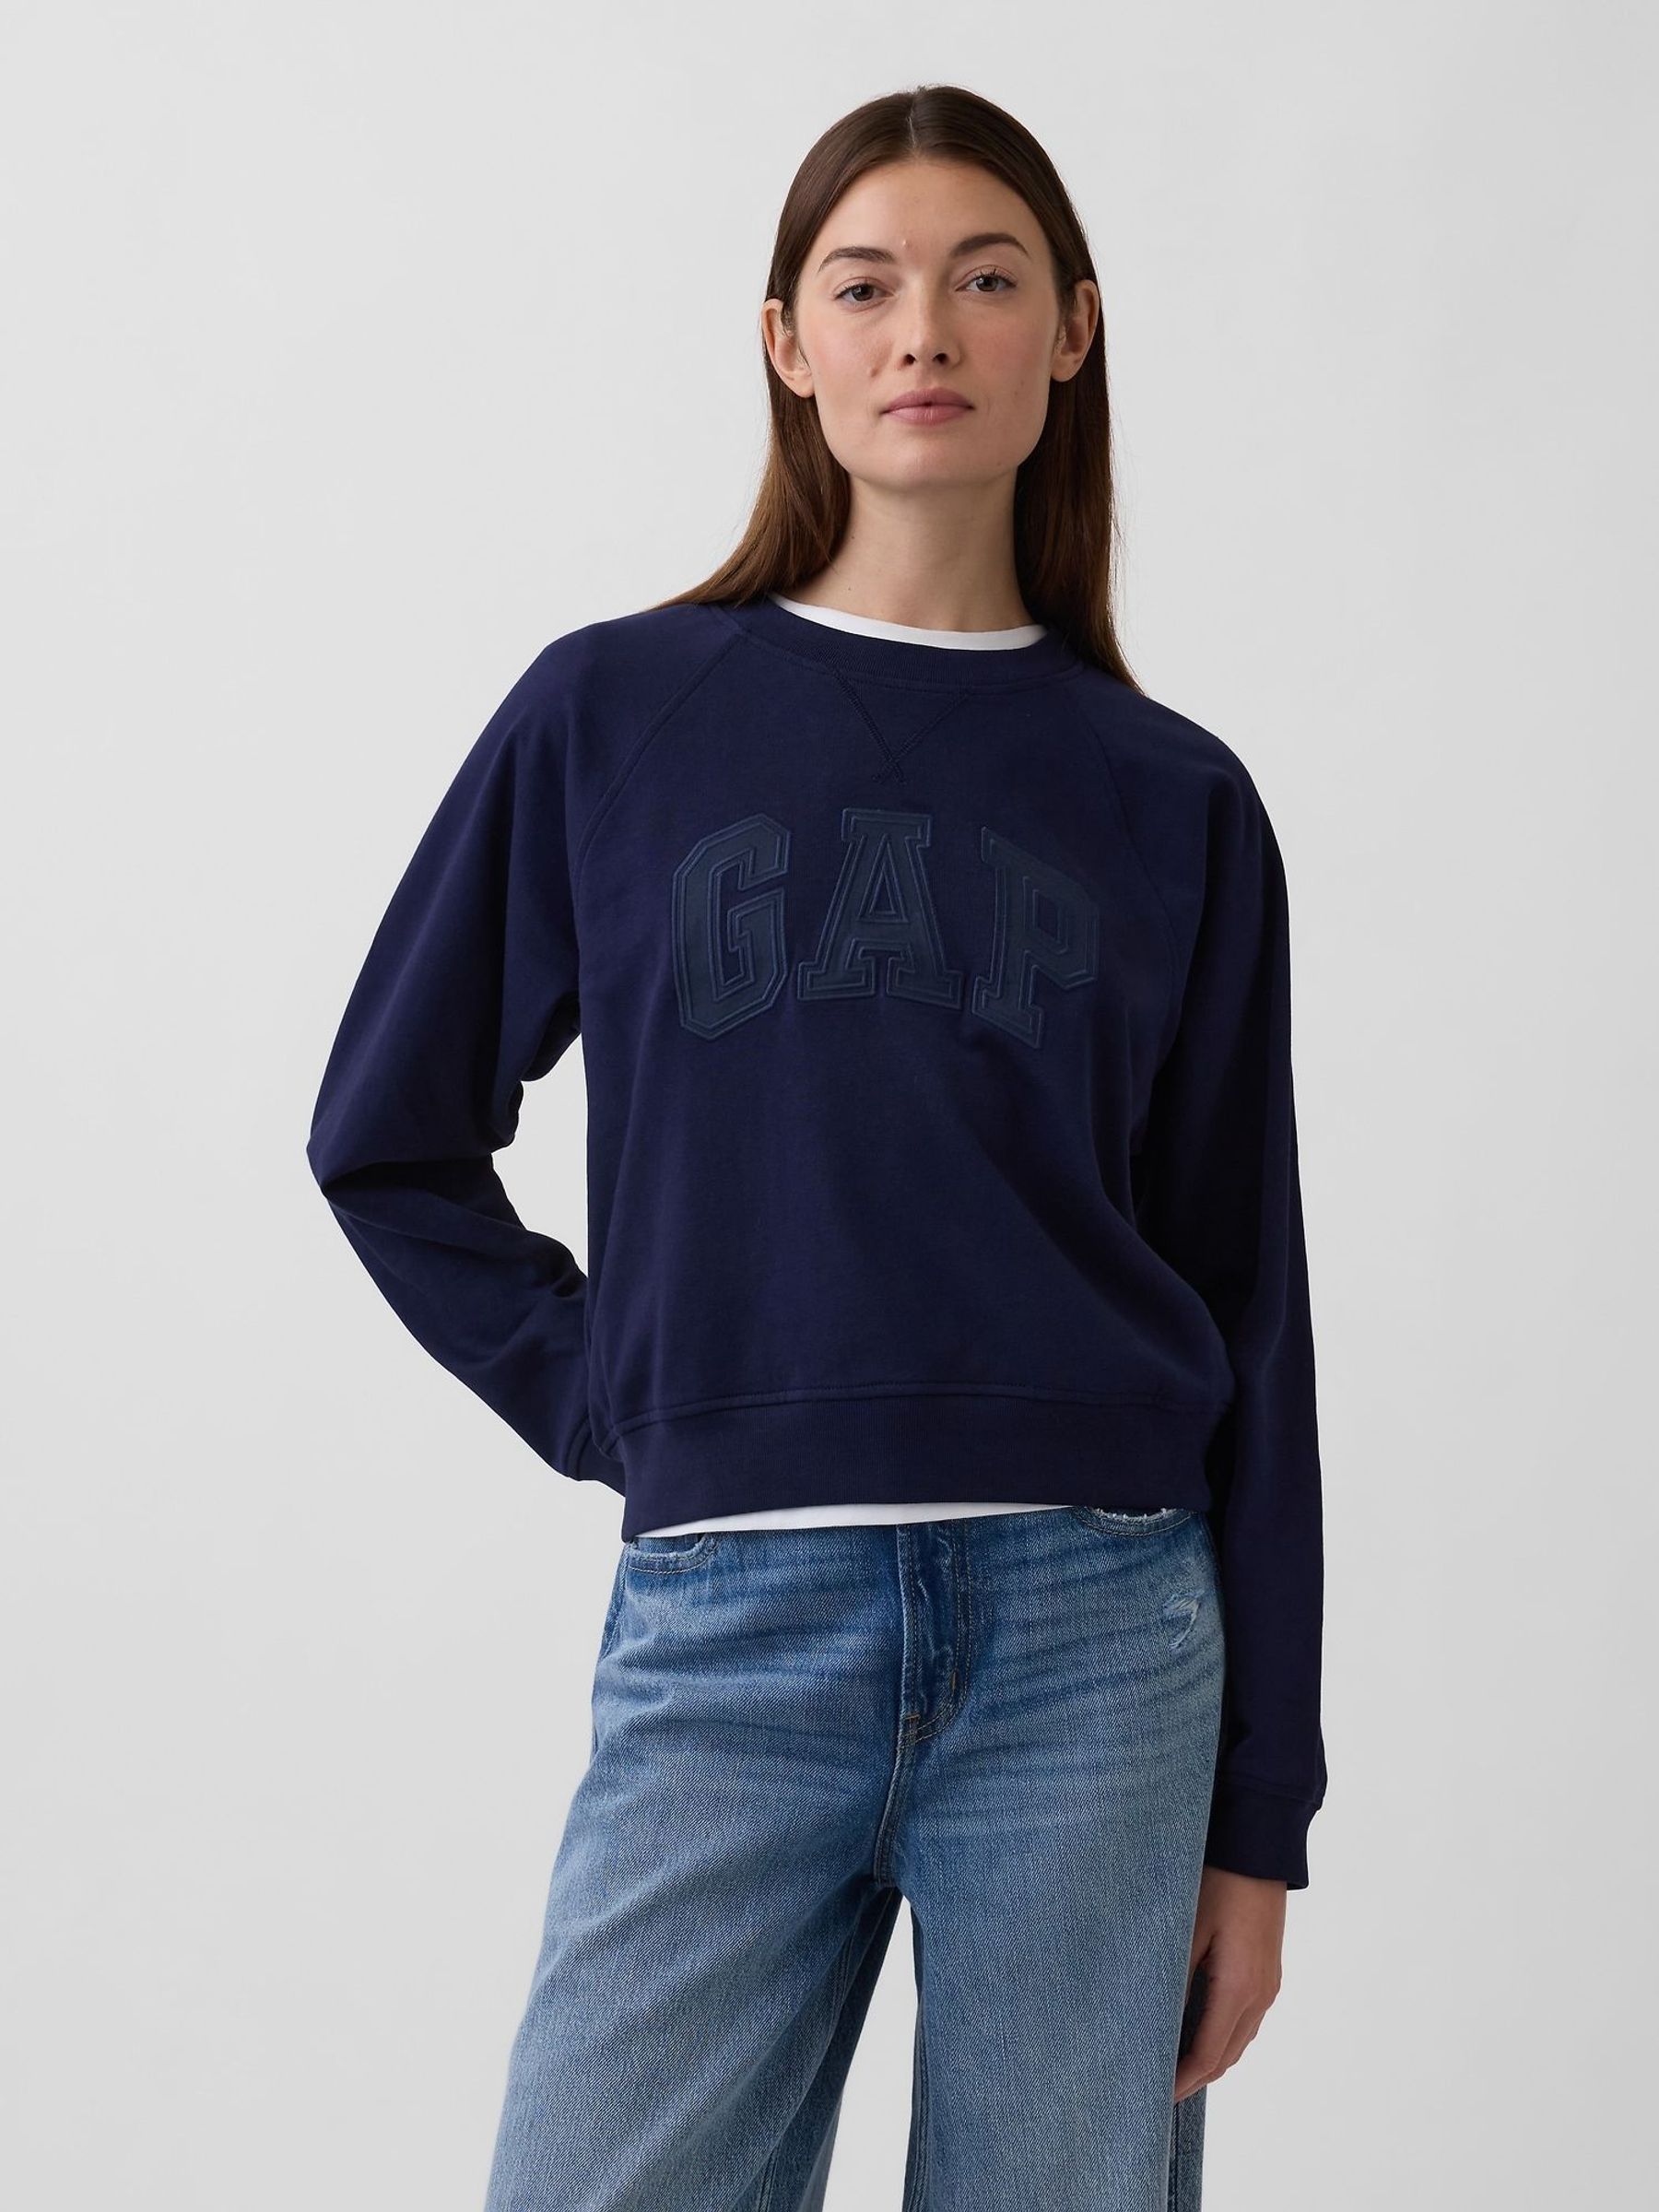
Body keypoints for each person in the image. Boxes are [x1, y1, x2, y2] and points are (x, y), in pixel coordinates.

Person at [306, 82, 1327, 2212]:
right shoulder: (613, 718)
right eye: (864, 286)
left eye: (984, 279)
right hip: (731, 1633)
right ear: (787, 342)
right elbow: (386, 1136)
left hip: (1101, 1648)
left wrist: (1261, 1819)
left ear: (1073, 330)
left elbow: (1253, 1315)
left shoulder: (1175, 800)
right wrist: (612, 1392)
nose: (922, 328)